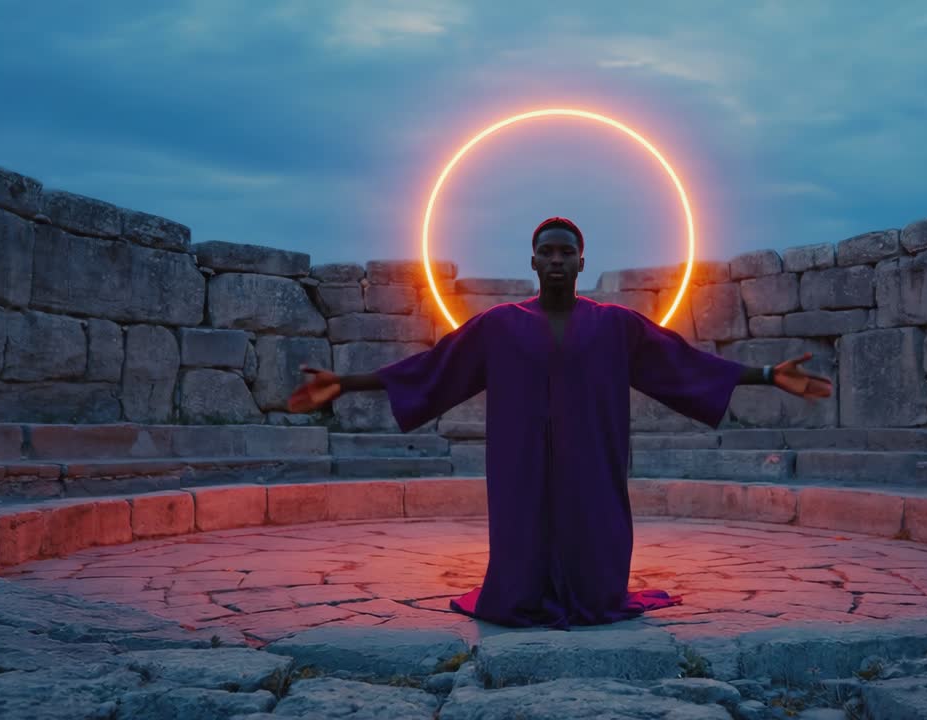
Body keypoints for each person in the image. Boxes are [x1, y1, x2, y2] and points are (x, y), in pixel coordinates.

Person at [288, 216, 833, 629]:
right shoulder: (499, 325)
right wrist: (348, 383)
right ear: (532, 261)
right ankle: (521, 590)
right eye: (546, 252)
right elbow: (435, 367)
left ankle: (593, 592)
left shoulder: (615, 325)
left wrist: (764, 373)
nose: (555, 260)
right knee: (521, 552)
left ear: (581, 262)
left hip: (591, 457)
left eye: (565, 252)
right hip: (520, 457)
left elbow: (682, 364)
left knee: (595, 556)